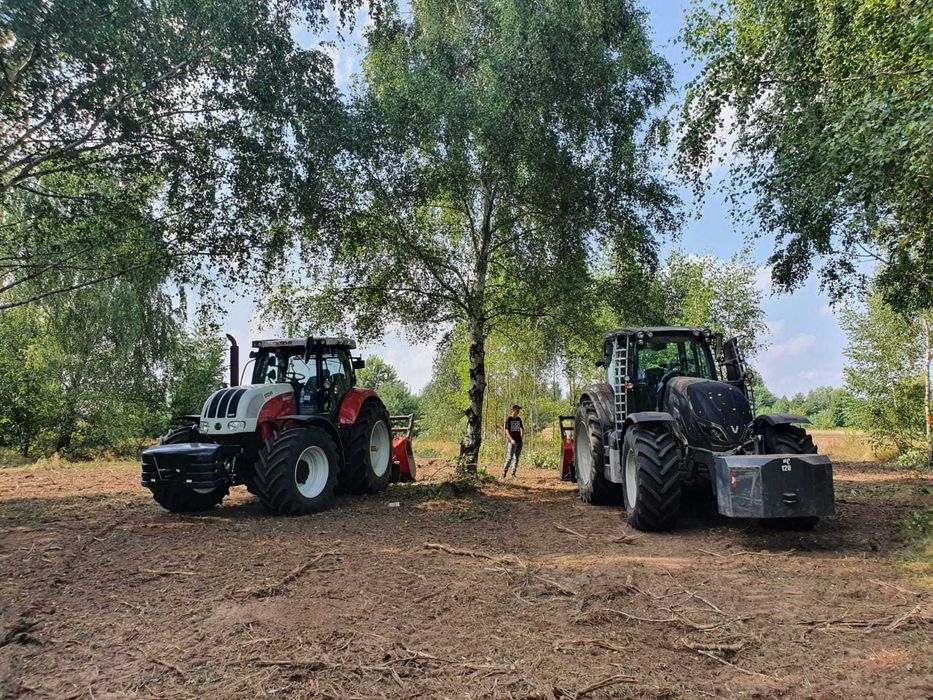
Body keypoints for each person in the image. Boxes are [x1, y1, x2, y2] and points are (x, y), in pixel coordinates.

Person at [501, 405, 524, 479]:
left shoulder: (519, 419)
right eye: (517, 410)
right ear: (513, 410)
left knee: (516, 458)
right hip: (512, 442)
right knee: (509, 457)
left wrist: (521, 436)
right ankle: (503, 474)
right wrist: (511, 440)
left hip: (519, 441)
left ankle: (513, 474)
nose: (518, 412)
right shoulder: (509, 419)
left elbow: (522, 428)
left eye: (519, 411)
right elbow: (506, 430)